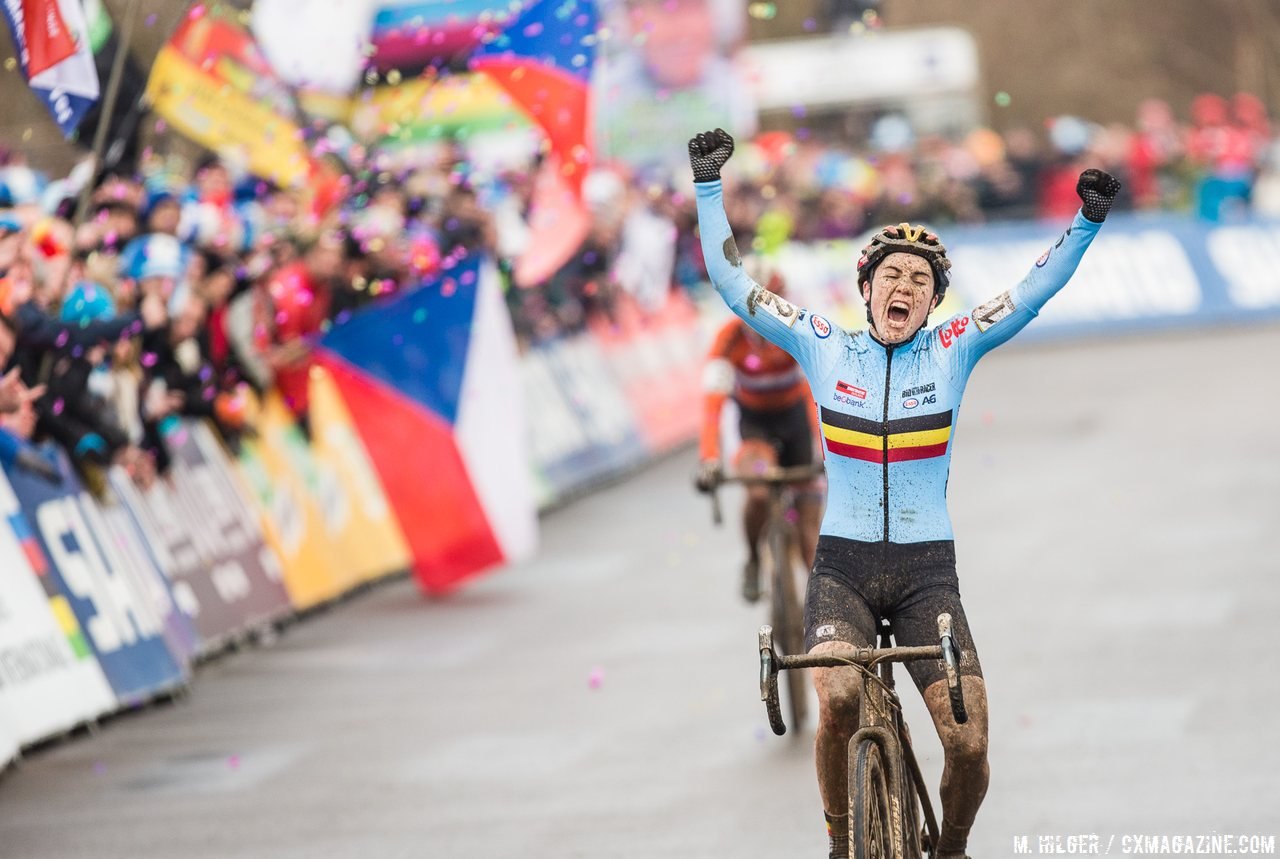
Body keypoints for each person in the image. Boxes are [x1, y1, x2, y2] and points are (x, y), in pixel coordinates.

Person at [688, 127, 1120, 859]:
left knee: (971, 745)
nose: (904, 287)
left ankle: (949, 846)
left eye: (920, 280)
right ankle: (838, 838)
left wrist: (1085, 224)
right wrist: (706, 187)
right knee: (839, 702)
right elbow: (735, 285)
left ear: (934, 301)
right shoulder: (825, 343)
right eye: (890, 275)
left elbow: (1033, 291)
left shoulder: (955, 346)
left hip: (927, 573)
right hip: (842, 570)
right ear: (866, 290)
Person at [694, 260, 822, 602]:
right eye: (753, 304)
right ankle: (753, 559)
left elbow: (816, 394)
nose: (763, 314)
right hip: (756, 430)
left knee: (811, 536)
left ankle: (821, 609)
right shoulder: (728, 340)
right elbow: (712, 406)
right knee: (759, 491)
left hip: (796, 424)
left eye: (771, 302)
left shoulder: (799, 331)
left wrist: (825, 449)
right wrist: (709, 458)